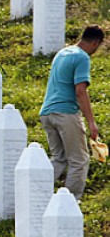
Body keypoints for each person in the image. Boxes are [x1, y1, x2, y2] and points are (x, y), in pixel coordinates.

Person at [39, 25, 104, 200]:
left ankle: (35, 194)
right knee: (79, 159)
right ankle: (70, 202)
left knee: (59, 158)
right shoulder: (82, 57)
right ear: (95, 43)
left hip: (47, 112)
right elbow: (80, 91)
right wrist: (91, 122)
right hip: (65, 113)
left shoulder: (62, 53)